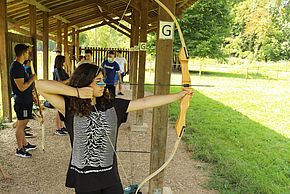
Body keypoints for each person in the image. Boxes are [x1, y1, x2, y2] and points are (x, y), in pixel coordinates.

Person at [35, 62, 193, 194]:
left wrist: (178, 96)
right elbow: (39, 85)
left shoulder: (113, 106)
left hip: (110, 177)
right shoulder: (69, 107)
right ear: (84, 81)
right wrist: (76, 92)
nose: (104, 84)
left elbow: (145, 102)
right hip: (84, 180)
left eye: (103, 80)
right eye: (98, 81)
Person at [9, 44, 37, 158]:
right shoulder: (16, 67)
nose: (28, 54)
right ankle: (20, 149)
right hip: (22, 101)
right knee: (21, 124)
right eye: (27, 52)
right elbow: (21, 87)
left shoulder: (20, 66)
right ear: (23, 53)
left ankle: (25, 144)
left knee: (24, 122)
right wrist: (32, 78)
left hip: (26, 100)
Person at [53, 55, 69, 136]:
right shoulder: (57, 70)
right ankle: (58, 128)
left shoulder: (61, 70)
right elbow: (59, 82)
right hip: (58, 91)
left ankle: (61, 126)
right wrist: (68, 80)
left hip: (62, 91)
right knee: (58, 110)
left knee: (60, 110)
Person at [22, 59, 35, 138]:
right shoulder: (26, 69)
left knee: (25, 117)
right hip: (24, 99)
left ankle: (23, 128)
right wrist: (32, 78)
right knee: (24, 116)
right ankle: (22, 130)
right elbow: (25, 84)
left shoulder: (25, 69)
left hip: (27, 97)